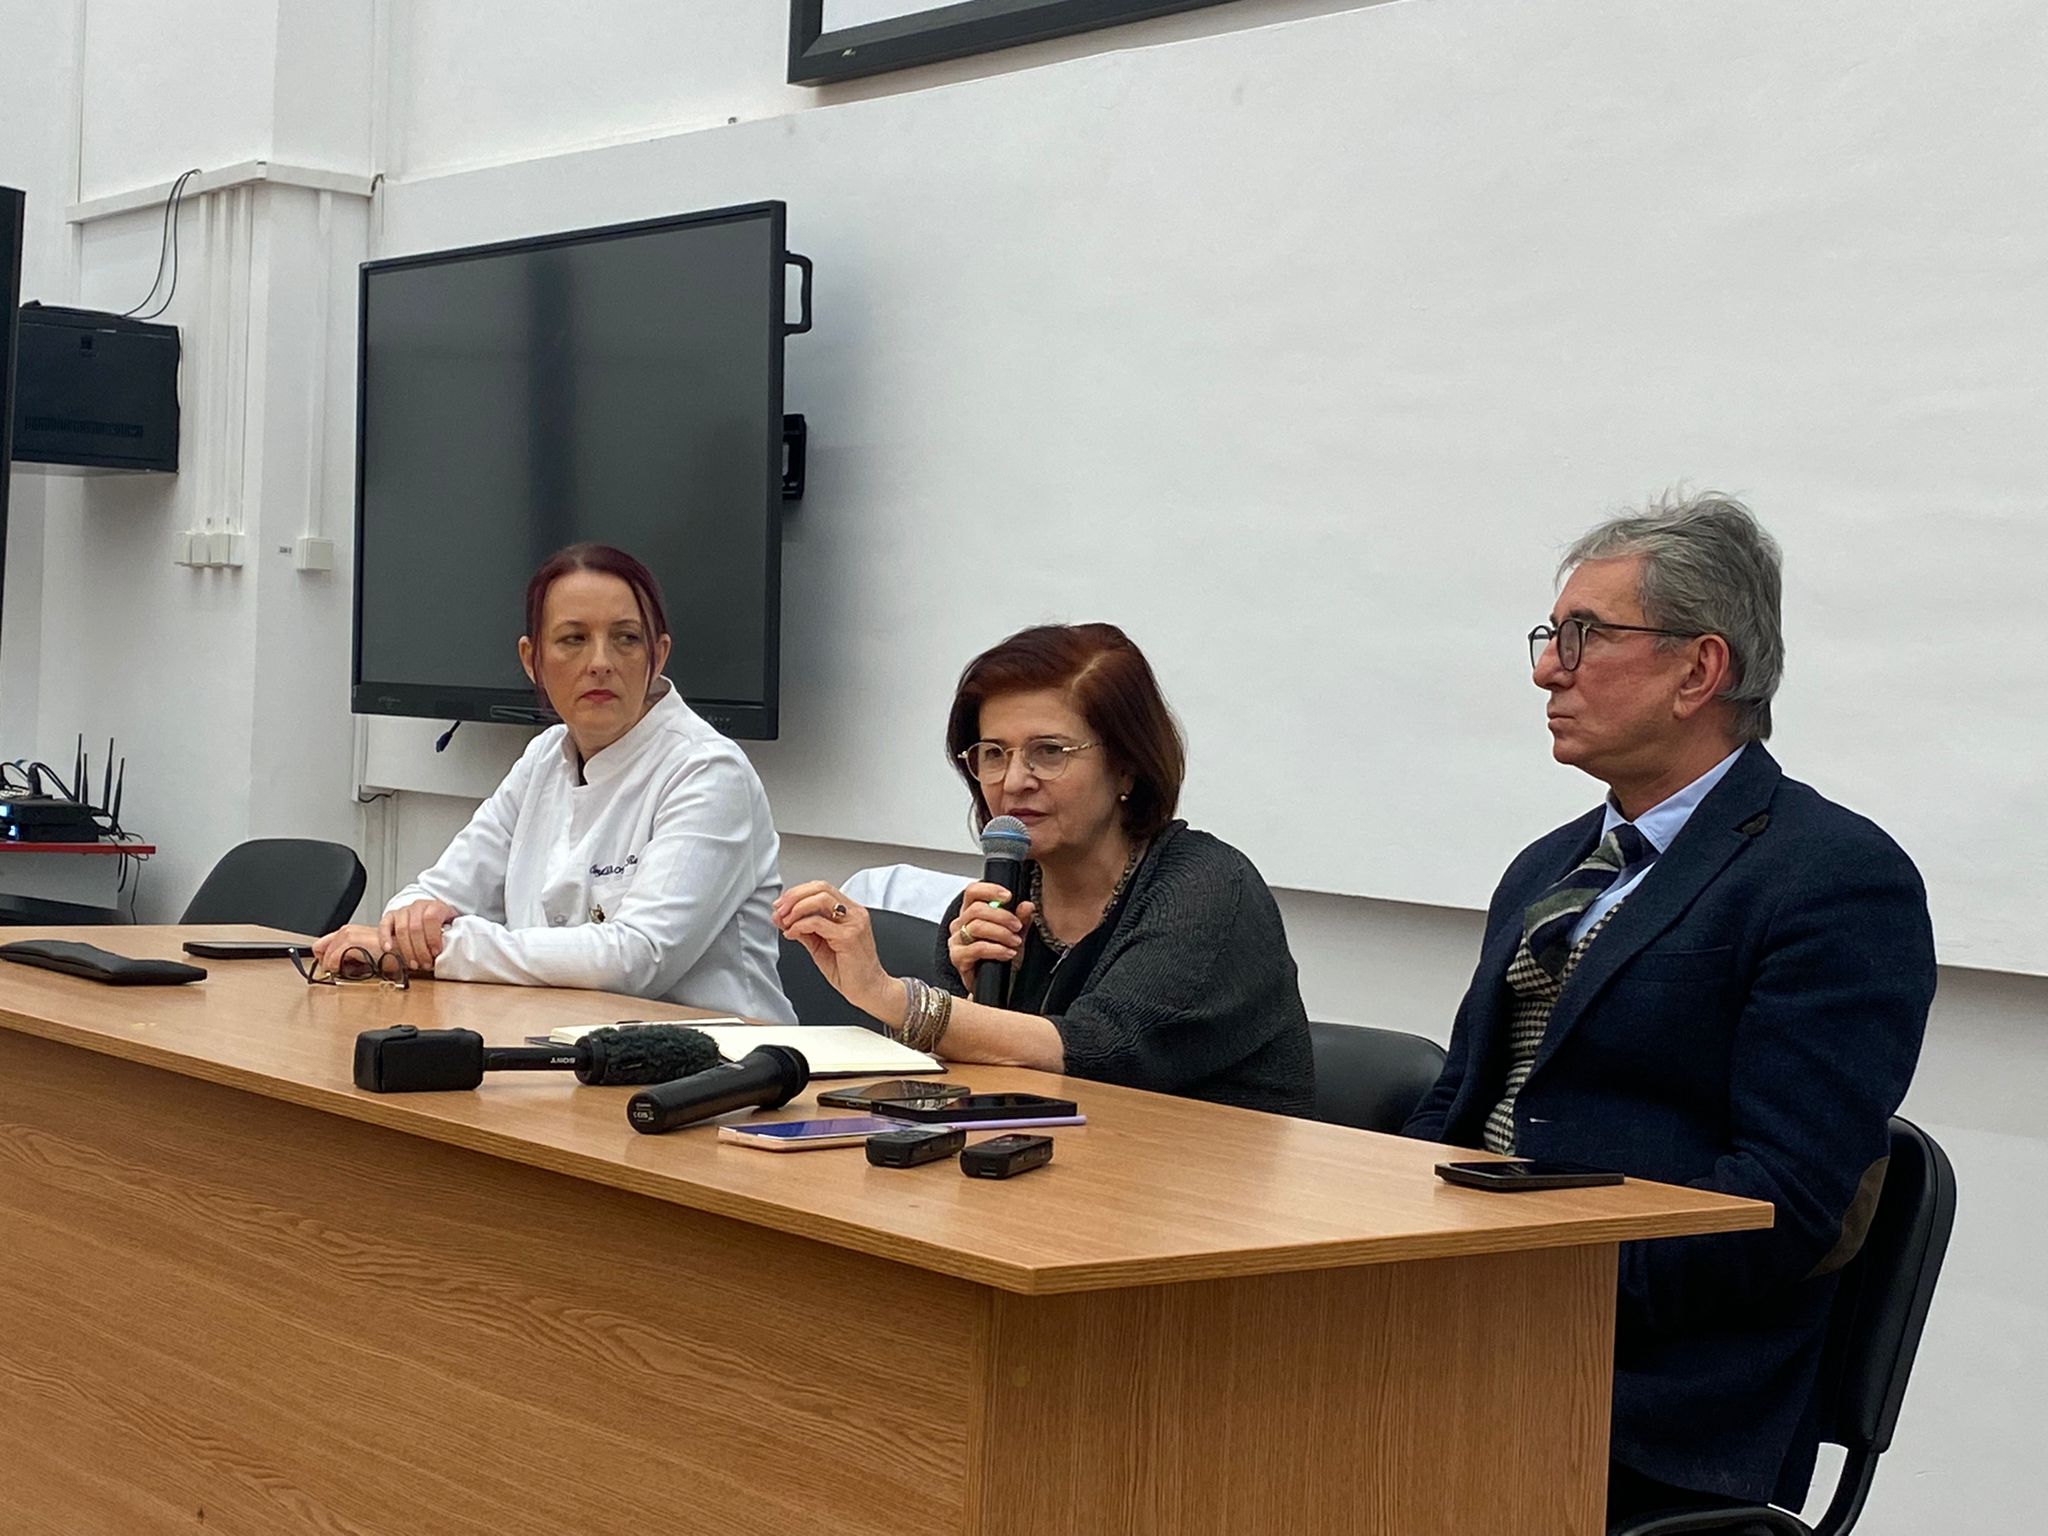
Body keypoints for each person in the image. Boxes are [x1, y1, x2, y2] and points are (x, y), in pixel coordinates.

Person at [1403, 494, 1934, 1520]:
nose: (1546, 670)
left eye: (1583, 636)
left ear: (1698, 670)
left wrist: (1530, 1288)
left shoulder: (1830, 877)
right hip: (1464, 1318)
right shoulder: (1547, 867)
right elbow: (1458, 1104)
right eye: (1549, 635)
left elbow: (1777, 1199)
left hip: (1647, 1389)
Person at [773, 622, 1314, 1115]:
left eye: (1050, 752)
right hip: (1062, 1165)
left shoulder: (1206, 889)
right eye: (993, 753)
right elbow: (966, 1092)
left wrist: (887, 994)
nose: (1014, 782)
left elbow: (1102, 1051)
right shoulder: (994, 900)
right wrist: (977, 999)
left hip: (1210, 1177)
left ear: (1126, 766)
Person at [312, 543, 794, 1022]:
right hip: (557, 1039)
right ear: (532, 659)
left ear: (659, 654)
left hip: (721, 1059)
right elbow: (434, 894)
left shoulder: (708, 771)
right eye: (573, 639)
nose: (600, 661)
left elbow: (636, 957)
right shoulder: (544, 757)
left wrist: (444, 949)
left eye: (626, 638)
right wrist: (408, 925)